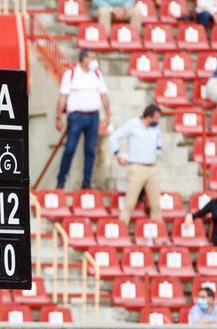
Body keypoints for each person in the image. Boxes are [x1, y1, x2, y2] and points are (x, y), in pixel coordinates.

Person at [55, 49, 111, 189]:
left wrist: (108, 113)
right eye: (92, 58)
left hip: (93, 116)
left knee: (90, 150)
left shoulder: (97, 74)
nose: (94, 61)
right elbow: (63, 96)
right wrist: (58, 117)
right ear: (84, 59)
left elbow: (104, 94)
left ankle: (87, 182)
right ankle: (61, 179)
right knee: (70, 148)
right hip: (76, 116)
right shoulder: (71, 74)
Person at [110, 104, 163, 225]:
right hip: (136, 168)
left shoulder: (156, 128)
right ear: (148, 117)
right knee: (130, 203)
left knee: (156, 205)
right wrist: (118, 155)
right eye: (156, 118)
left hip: (152, 168)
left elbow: (159, 146)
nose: (157, 121)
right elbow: (114, 137)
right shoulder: (132, 124)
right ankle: (121, 230)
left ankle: (159, 235)